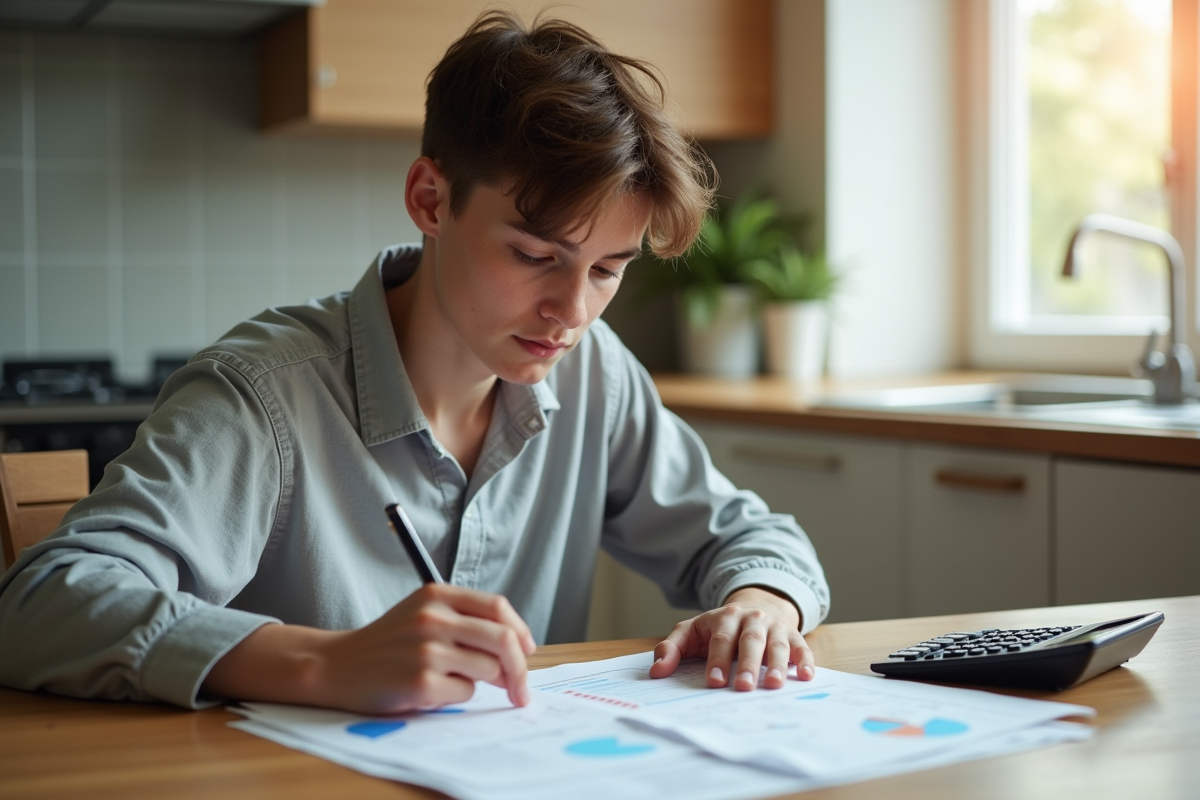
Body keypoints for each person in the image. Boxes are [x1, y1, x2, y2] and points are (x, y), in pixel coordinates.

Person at [0, 11, 829, 714]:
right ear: (431, 200)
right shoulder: (264, 394)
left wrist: (759, 605)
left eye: (608, 269)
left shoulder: (594, 374)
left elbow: (753, 537)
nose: (573, 312)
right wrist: (323, 662)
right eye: (537, 255)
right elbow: (41, 604)